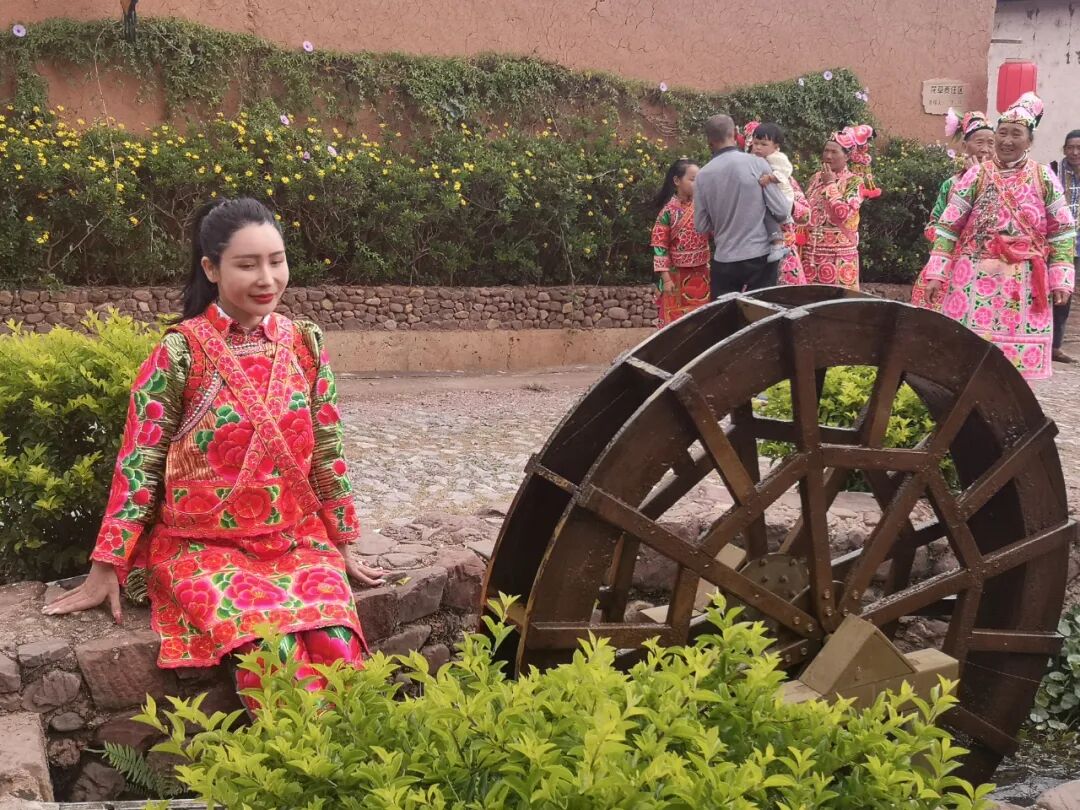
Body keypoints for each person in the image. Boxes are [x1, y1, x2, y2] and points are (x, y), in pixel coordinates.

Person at [42, 197, 387, 714]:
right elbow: (139, 461)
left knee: (339, 647)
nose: (267, 278)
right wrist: (107, 564)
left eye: (276, 260)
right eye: (247, 265)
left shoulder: (305, 344)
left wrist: (343, 540)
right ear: (211, 268)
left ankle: (356, 757)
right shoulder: (181, 353)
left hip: (296, 541)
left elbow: (327, 449)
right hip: (202, 549)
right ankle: (295, 759)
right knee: (275, 657)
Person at [924, 94, 1077, 382]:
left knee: (1011, 373)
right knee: (965, 358)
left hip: (1023, 283)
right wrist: (937, 274)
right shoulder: (975, 176)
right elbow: (948, 227)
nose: (1007, 141)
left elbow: (1062, 231)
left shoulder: (1044, 178)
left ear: (1029, 140)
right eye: (1002, 133)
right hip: (972, 279)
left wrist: (1061, 279)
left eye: (1016, 134)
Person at [694, 114, 792, 298]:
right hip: (760, 257)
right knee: (761, 313)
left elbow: (701, 226)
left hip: (724, 259)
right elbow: (781, 210)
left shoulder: (702, 176)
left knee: (725, 314)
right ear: (735, 132)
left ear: (709, 141)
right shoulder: (758, 164)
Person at [911, 110, 996, 310]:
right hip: (951, 264)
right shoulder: (951, 184)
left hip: (989, 268)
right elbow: (933, 225)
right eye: (979, 142)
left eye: (991, 143)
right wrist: (948, 237)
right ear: (965, 146)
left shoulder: (1005, 183)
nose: (985, 149)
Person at [799, 124, 881, 289]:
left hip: (839, 256)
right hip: (810, 254)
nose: (828, 156)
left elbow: (843, 213)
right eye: (826, 151)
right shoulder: (815, 178)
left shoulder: (855, 182)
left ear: (847, 156)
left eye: (834, 152)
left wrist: (830, 184)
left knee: (838, 302)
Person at [651, 158, 711, 327]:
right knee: (675, 323)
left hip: (703, 274)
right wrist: (666, 279)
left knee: (702, 320)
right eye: (692, 180)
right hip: (675, 276)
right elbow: (660, 246)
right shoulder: (668, 212)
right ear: (677, 181)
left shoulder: (703, 207)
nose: (697, 184)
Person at [747, 121, 808, 285]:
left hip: (784, 254)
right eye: (755, 144)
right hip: (752, 252)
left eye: (763, 144)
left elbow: (806, 214)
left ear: (775, 147)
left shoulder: (785, 179)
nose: (758, 148)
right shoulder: (746, 178)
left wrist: (786, 207)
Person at [1048, 129, 1080, 363]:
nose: (1075, 152)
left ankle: (1055, 346)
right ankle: (1048, 344)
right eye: (1070, 147)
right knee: (1054, 293)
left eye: (1079, 148)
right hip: (1057, 244)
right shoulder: (1053, 172)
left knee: (1067, 297)